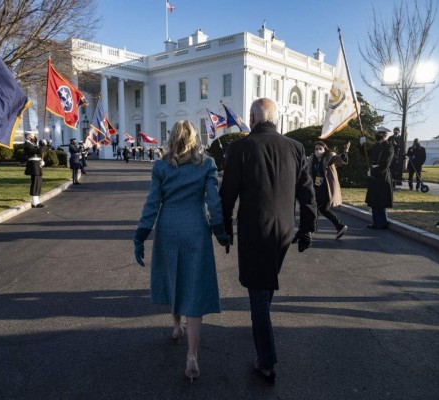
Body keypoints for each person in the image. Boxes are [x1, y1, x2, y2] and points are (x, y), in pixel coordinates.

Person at [220, 98, 317, 385]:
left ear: (252, 118)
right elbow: (307, 192)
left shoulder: (240, 148)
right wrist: (308, 228)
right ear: (275, 118)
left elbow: (227, 194)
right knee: (265, 284)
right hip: (284, 230)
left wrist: (225, 229)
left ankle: (266, 361)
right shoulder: (295, 147)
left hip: (256, 231)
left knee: (259, 294)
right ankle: (261, 334)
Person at [133, 120, 230, 382]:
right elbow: (214, 202)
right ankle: (192, 355)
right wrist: (221, 233)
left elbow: (152, 204)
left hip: (168, 228)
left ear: (171, 139)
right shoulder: (206, 164)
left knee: (173, 277)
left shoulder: (161, 166)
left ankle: (176, 326)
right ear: (194, 140)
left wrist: (140, 236)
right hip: (196, 229)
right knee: (194, 288)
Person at [307, 140, 350, 239]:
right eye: (316, 149)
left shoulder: (329, 157)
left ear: (324, 149)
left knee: (314, 208)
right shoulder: (312, 159)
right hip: (317, 187)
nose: (318, 151)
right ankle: (340, 226)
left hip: (327, 189)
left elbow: (339, 159)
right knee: (324, 210)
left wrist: (345, 151)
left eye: (320, 149)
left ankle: (310, 230)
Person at [360, 126, 395, 229]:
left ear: (385, 135)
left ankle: (383, 222)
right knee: (374, 201)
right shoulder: (376, 146)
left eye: (380, 133)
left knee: (381, 201)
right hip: (374, 175)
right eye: (378, 133)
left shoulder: (389, 147)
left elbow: (385, 164)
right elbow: (366, 154)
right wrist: (362, 144)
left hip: (382, 176)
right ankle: (376, 222)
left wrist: (373, 171)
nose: (377, 135)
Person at [24, 133, 46, 208]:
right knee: (35, 183)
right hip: (33, 165)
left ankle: (37, 200)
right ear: (28, 136)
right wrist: (43, 145)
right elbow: (38, 151)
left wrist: (45, 145)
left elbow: (40, 152)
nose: (34, 137)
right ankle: (34, 201)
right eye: (33, 136)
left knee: (38, 183)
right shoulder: (27, 144)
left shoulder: (32, 144)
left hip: (37, 164)